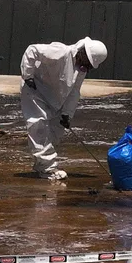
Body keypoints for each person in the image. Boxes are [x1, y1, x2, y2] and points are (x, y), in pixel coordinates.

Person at [20, 37, 108, 180]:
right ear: (82, 53)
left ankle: (42, 164)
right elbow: (32, 50)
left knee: (56, 129)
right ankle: (48, 169)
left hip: (53, 97)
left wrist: (67, 114)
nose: (85, 68)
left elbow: (74, 91)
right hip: (34, 89)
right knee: (39, 126)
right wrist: (28, 75)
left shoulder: (80, 69)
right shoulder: (61, 52)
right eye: (86, 63)